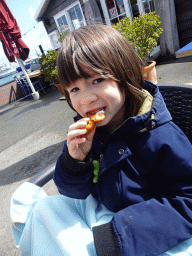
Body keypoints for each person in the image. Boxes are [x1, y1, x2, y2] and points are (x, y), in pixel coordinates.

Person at [10, 25, 192, 256]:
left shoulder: (159, 135)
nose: (86, 99)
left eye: (96, 80)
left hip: (147, 232)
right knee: (41, 209)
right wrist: (74, 161)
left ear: (123, 76)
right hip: (104, 209)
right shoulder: (90, 132)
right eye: (74, 88)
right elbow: (71, 192)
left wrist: (120, 235)